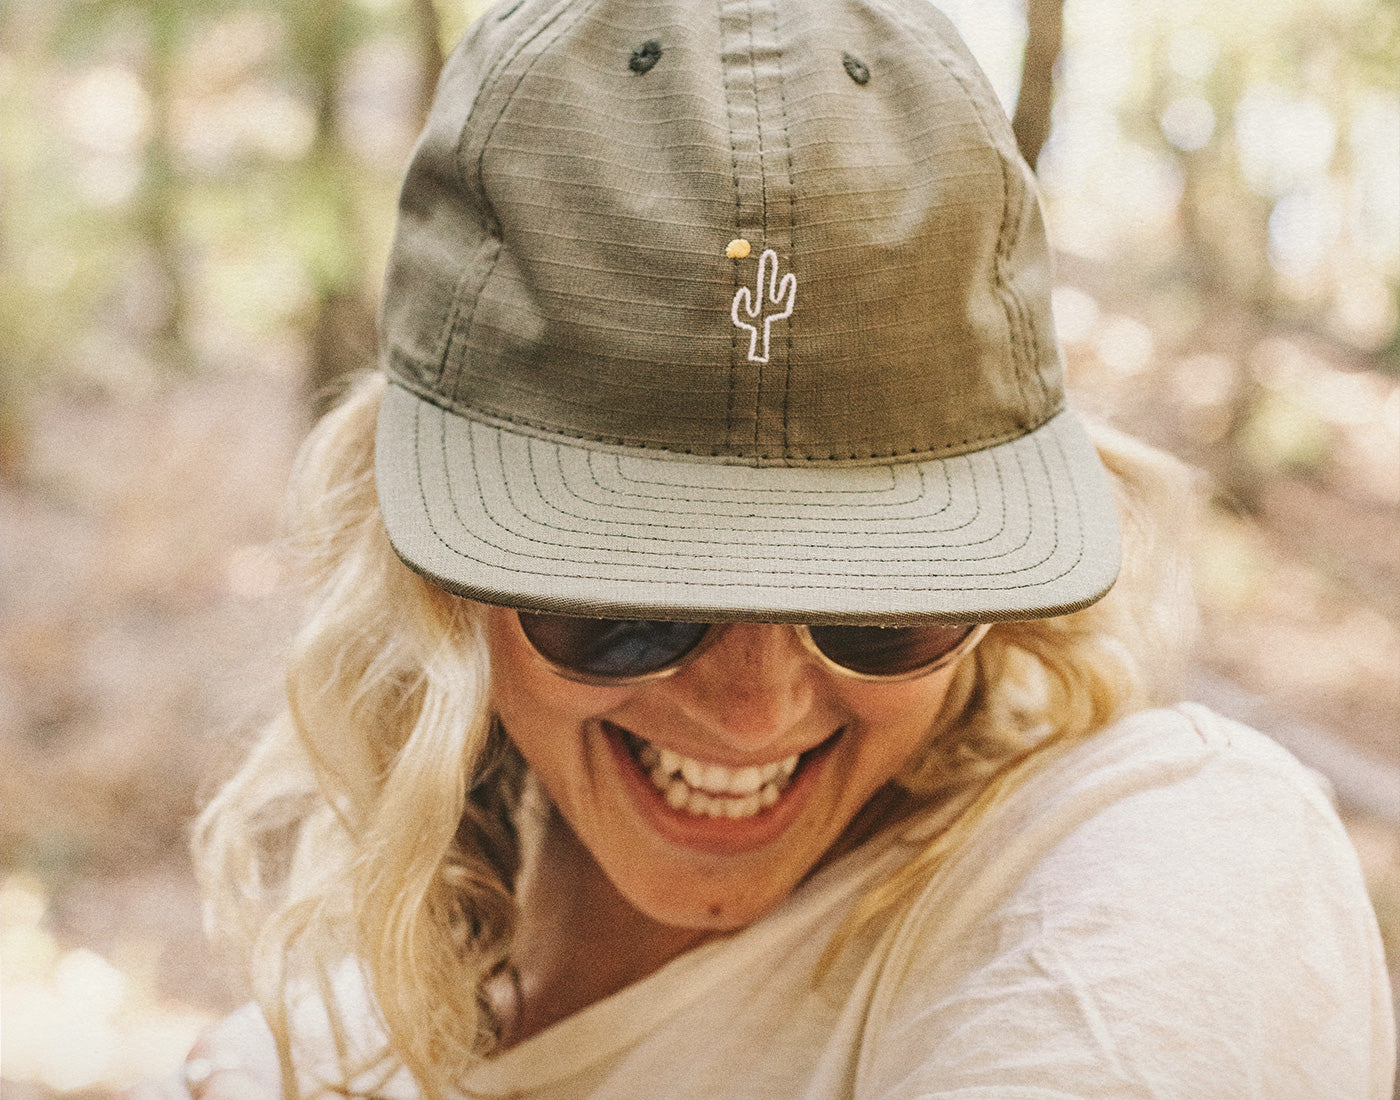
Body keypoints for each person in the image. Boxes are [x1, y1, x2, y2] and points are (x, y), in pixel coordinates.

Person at [166, 0, 1395, 1097]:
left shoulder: (1156, 858)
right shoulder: (316, 1050)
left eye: (880, 607)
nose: (753, 707)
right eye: (626, 600)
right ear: (428, 565)